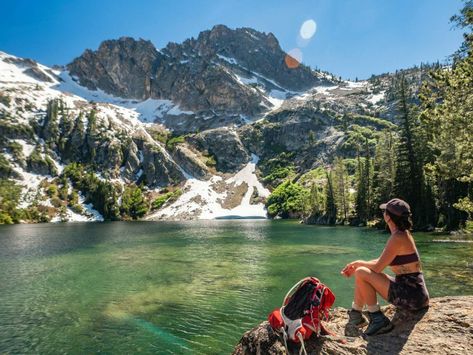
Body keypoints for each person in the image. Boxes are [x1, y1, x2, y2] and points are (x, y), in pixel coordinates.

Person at [341, 198, 430, 336]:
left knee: (362, 272)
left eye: (384, 211)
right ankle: (356, 314)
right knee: (362, 272)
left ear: (388, 217)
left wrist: (359, 263)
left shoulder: (398, 237)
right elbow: (382, 261)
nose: (383, 214)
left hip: (411, 296)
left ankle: (377, 319)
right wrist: (358, 263)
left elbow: (377, 267)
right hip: (414, 292)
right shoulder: (402, 234)